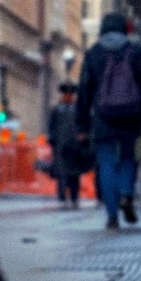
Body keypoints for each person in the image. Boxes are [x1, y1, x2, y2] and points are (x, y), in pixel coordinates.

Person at [75, 13, 141, 230]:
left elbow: (84, 90)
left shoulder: (93, 52)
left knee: (107, 162)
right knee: (129, 157)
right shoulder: (135, 51)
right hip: (131, 115)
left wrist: (81, 124)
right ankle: (126, 194)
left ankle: (112, 215)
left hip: (103, 116)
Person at [47, 81, 85, 209]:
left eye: (70, 94)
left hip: (74, 146)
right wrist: (52, 140)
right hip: (61, 146)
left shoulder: (76, 109)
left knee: (73, 173)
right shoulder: (57, 110)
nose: (68, 96)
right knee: (63, 173)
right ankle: (63, 195)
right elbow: (51, 127)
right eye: (66, 94)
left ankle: (74, 195)